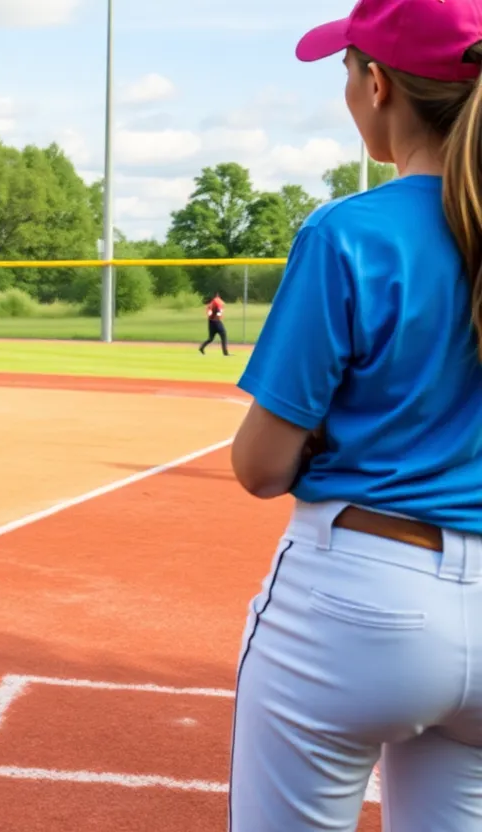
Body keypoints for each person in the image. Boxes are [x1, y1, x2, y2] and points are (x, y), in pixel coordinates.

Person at [228, 2, 482, 829]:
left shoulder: (349, 231)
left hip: (362, 597)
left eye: (347, 69)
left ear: (378, 85)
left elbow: (260, 466)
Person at [199, 291, 229, 355]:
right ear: (218, 295)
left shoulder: (211, 303)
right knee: (223, 334)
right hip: (216, 321)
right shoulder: (218, 301)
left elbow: (209, 312)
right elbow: (219, 310)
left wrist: (211, 317)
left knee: (210, 338)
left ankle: (202, 347)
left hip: (210, 321)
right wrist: (218, 317)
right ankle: (225, 353)